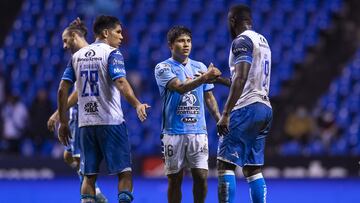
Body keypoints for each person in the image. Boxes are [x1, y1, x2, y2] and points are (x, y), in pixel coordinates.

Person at [57, 15, 149, 203]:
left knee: (89, 176)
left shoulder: (77, 56)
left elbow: (62, 89)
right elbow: (121, 82)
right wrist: (137, 103)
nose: (121, 37)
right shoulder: (112, 53)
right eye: (118, 32)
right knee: (124, 173)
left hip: (85, 125)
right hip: (111, 122)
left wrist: (63, 122)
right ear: (106, 33)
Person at [154, 25, 222, 203]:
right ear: (170, 45)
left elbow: (209, 97)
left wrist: (219, 119)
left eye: (188, 41)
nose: (186, 44)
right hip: (173, 132)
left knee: (201, 177)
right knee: (175, 180)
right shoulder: (162, 67)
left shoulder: (199, 66)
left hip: (198, 131)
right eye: (181, 41)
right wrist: (204, 77)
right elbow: (180, 88)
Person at [47, 18, 108, 202]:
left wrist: (58, 114)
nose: (64, 46)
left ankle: (91, 194)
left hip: (84, 114)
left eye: (66, 40)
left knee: (81, 157)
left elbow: (81, 91)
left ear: (74, 35)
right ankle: (92, 188)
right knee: (69, 156)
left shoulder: (87, 56)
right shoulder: (80, 56)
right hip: (78, 113)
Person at [216, 4, 273, 203]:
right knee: (252, 168)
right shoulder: (263, 41)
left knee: (225, 164)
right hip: (264, 107)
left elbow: (240, 78)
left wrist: (226, 113)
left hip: (246, 107)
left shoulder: (241, 40)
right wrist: (219, 80)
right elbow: (245, 79)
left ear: (232, 21)